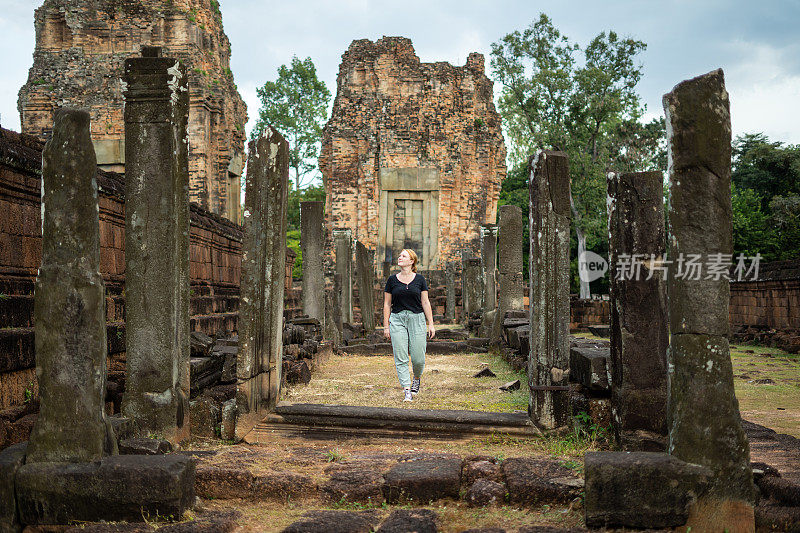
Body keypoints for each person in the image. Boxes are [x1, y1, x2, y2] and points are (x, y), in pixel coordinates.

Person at [383, 249, 436, 402]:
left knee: (418, 358)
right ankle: (407, 389)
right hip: (397, 319)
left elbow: (425, 302)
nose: (400, 257)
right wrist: (386, 326)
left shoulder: (420, 280)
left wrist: (431, 324)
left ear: (411, 261)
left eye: (403, 256)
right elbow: (387, 304)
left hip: (417, 319)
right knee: (401, 356)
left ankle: (417, 378)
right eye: (399, 255)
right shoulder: (392, 280)